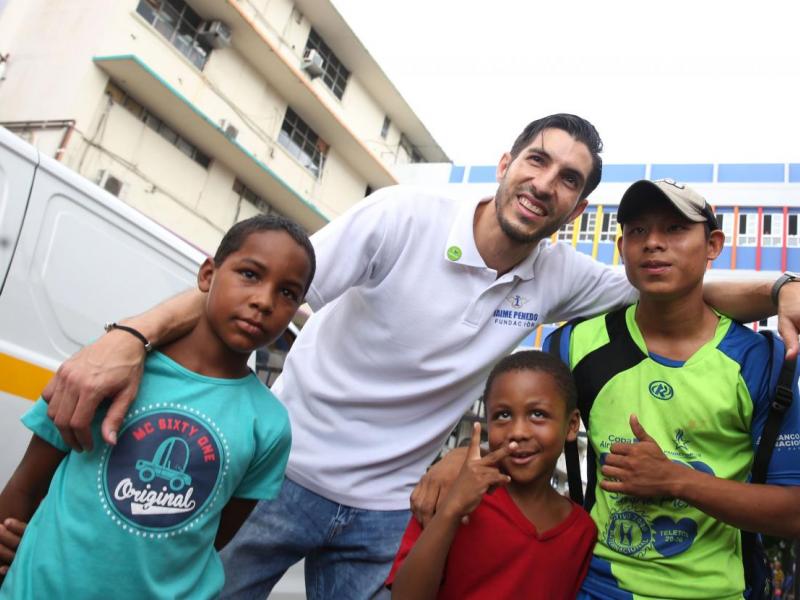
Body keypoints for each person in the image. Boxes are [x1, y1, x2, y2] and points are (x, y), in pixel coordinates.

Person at [32, 114, 800, 599]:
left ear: (577, 207)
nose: (546, 184)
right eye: (538, 161)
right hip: (282, 476)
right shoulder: (403, 217)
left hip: (387, 506)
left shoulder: (561, 275)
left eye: (569, 180)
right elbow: (261, 289)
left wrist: (781, 289)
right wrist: (129, 335)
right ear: (506, 161)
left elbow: (675, 286)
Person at [0, 215, 315, 599]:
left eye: (287, 293)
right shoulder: (107, 370)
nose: (263, 301)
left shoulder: (269, 425)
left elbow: (208, 539)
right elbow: (26, 485)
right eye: (249, 274)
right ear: (208, 275)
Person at [541, 180, 800, 599]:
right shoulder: (573, 345)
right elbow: (522, 450)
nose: (653, 243)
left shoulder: (761, 360)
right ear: (622, 247)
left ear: (713, 245)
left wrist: (676, 480)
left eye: (675, 228)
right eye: (639, 231)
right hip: (596, 586)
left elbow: (793, 512)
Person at [387, 351, 596, 600]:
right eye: (503, 415)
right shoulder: (450, 494)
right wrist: (451, 511)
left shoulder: (582, 532)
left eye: (537, 414)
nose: (518, 432)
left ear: (572, 425)